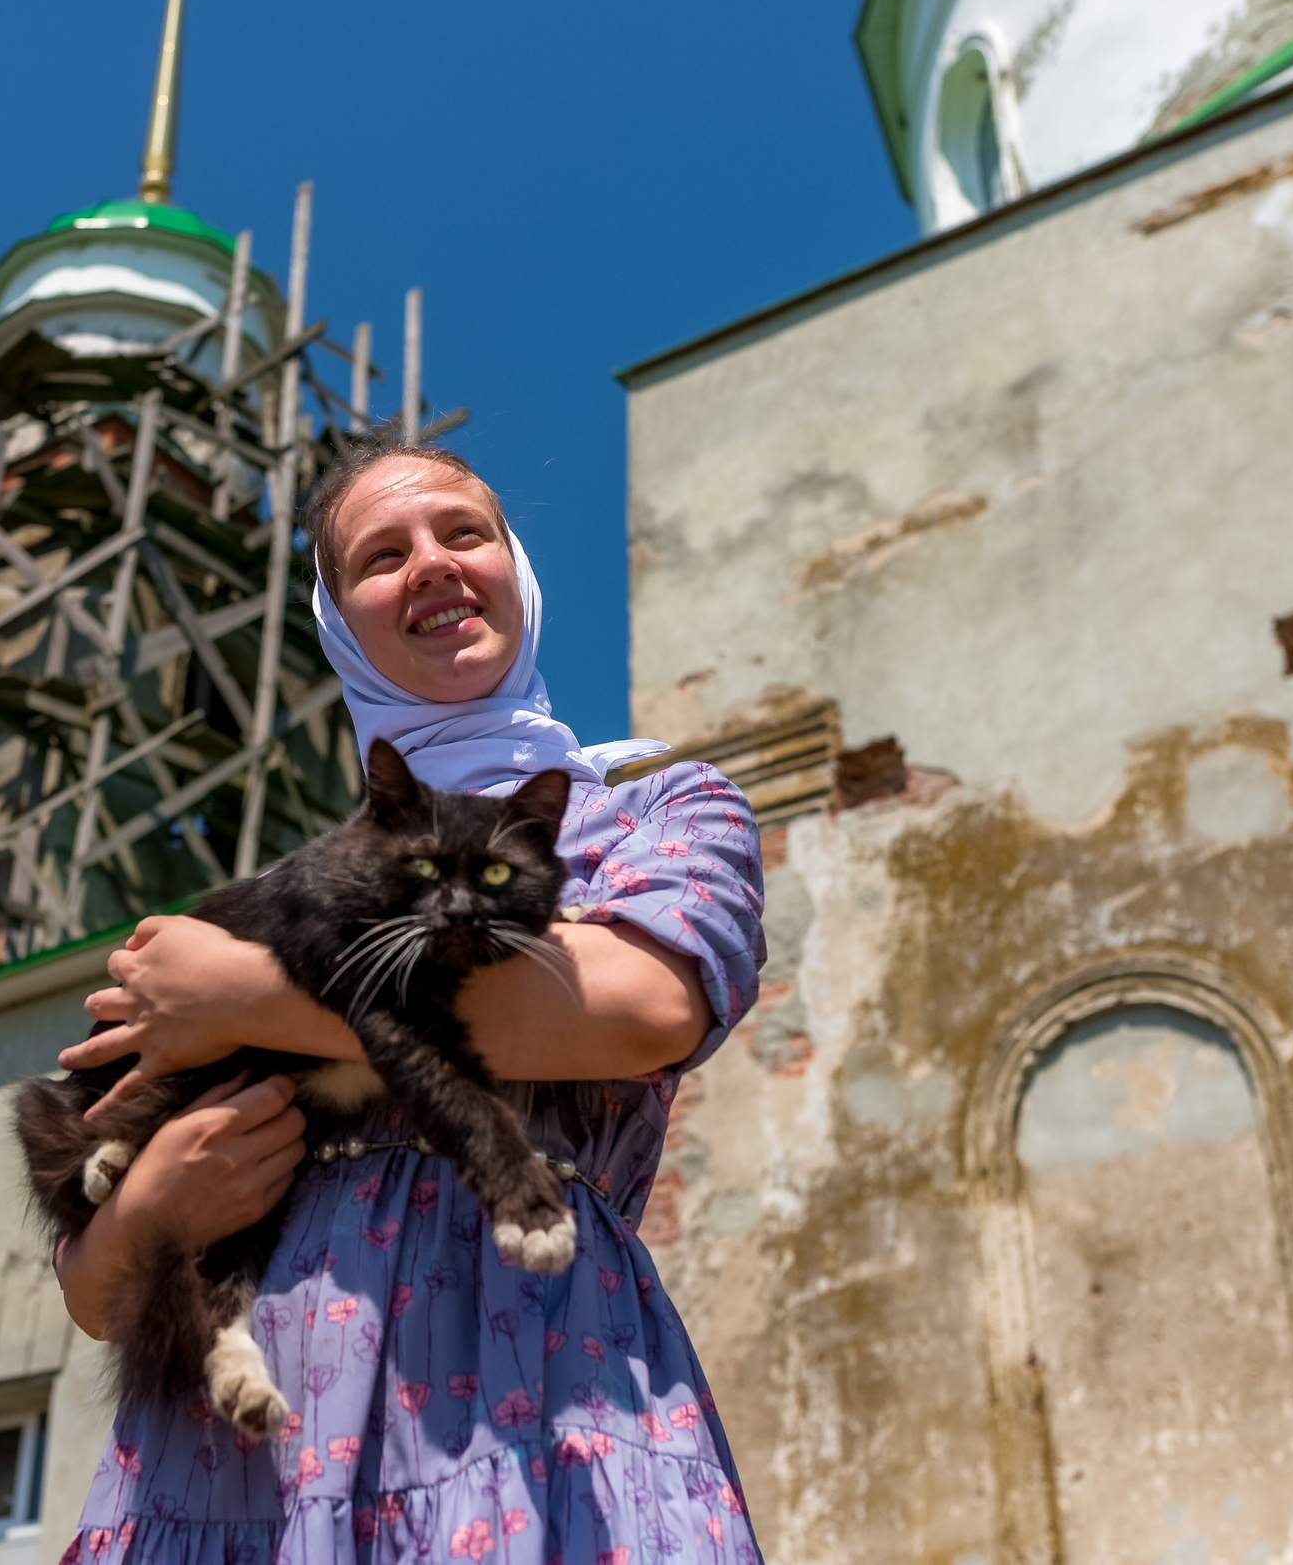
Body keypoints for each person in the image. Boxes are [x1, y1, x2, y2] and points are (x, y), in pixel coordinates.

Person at [51, 435, 767, 1565]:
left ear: (514, 570)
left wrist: (243, 993)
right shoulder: (293, 884)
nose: (431, 562)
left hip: (535, 1374)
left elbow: (644, 1006)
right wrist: (150, 1208)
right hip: (245, 1440)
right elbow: (94, 1290)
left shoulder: (656, 807)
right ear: (340, 623)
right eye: (382, 556)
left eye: (463, 532)